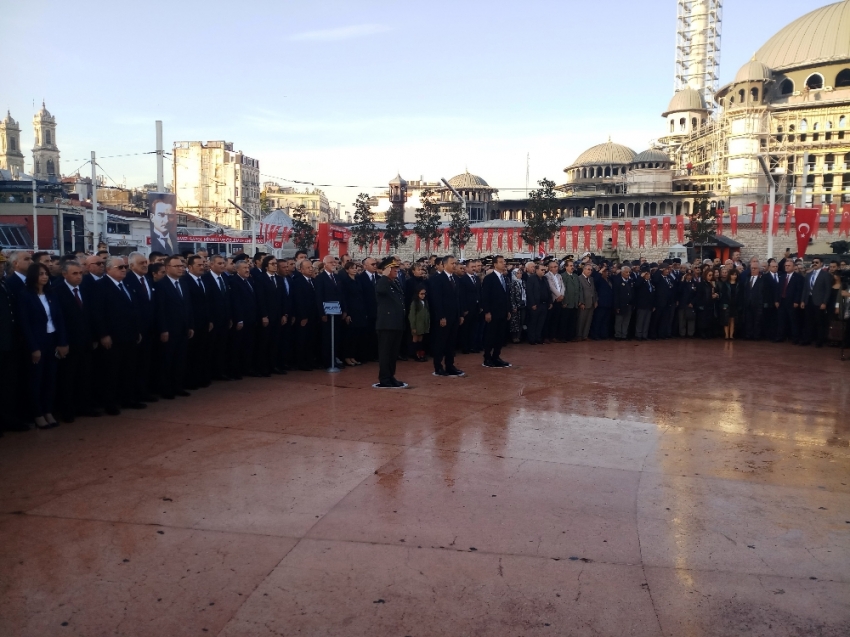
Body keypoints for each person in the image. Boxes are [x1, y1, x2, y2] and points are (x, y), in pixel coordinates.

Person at [18, 262, 68, 429]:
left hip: (52, 341)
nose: (45, 276)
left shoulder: (51, 294)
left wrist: (62, 342)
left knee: (50, 379)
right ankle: (37, 414)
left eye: (46, 273)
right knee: (36, 380)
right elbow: (24, 324)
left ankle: (48, 411)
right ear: (33, 276)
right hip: (37, 343)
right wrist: (34, 348)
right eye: (41, 274)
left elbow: (59, 319)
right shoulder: (25, 295)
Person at [93, 256, 144, 414]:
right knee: (111, 372)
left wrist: (137, 331)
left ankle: (127, 399)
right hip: (113, 336)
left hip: (129, 335)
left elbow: (133, 309)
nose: (124, 270)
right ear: (108, 269)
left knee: (128, 369)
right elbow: (98, 313)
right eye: (120, 267)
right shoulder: (100, 286)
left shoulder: (126, 284)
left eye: (125, 267)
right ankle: (110, 402)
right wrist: (103, 334)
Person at [54, 260, 99, 422]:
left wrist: (94, 337)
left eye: (80, 273)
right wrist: (62, 342)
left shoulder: (86, 290)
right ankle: (67, 410)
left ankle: (84, 406)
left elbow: (91, 316)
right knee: (68, 377)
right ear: (64, 274)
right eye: (74, 273)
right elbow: (59, 320)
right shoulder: (57, 291)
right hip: (69, 342)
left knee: (85, 375)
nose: (78, 277)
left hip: (86, 341)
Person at [155, 255, 194, 398]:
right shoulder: (161, 285)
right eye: (177, 266)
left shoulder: (183, 283)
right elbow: (160, 310)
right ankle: (165, 388)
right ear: (167, 268)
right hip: (169, 330)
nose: (181, 268)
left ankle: (178, 386)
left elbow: (188, 306)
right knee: (167, 360)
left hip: (183, 329)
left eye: (182, 266)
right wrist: (163, 329)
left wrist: (190, 325)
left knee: (180, 360)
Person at [125, 252, 157, 402]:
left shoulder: (148, 279)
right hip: (136, 331)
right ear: (131, 266)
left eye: (145, 262)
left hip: (150, 330)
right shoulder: (127, 281)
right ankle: (132, 395)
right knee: (133, 366)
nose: (145, 265)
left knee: (146, 363)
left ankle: (144, 391)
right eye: (141, 263)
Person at [429, 255, 464, 376]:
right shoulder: (437, 279)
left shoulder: (456, 278)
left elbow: (457, 298)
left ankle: (450, 365)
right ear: (444, 265)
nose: (455, 265)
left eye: (455, 263)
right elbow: (436, 300)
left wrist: (460, 315)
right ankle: (438, 366)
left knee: (451, 343)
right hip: (443, 316)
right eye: (452, 263)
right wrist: (441, 316)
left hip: (454, 316)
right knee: (440, 342)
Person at [375, 257, 407, 387]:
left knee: (393, 353)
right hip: (386, 324)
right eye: (393, 268)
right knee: (385, 353)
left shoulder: (395, 282)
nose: (396, 270)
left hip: (396, 323)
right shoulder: (382, 282)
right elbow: (380, 290)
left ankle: (391, 375)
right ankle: (384, 378)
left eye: (397, 268)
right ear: (387, 269)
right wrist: (384, 276)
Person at [182, 255, 213, 387]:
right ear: (190, 267)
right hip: (193, 323)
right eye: (198, 265)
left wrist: (209, 319)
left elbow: (207, 303)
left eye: (203, 264)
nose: (202, 267)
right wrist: (191, 324)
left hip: (204, 323)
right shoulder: (185, 281)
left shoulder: (204, 280)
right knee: (192, 353)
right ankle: (191, 380)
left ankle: (201, 377)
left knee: (202, 351)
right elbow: (188, 305)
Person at [229, 258, 263, 378]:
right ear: (237, 269)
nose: (247, 270)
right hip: (242, 320)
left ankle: (246, 368)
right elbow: (236, 302)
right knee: (238, 346)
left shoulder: (250, 281)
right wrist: (239, 319)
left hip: (252, 319)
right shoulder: (234, 282)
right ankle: (235, 370)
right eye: (244, 268)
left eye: (248, 267)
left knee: (249, 345)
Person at [202, 255, 232, 380]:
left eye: (223, 263)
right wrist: (209, 319)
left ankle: (219, 372)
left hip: (224, 319)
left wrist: (229, 317)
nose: (222, 266)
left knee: (222, 347)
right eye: (219, 263)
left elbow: (228, 299)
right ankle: (209, 373)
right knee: (210, 348)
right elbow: (206, 302)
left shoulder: (225, 278)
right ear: (211, 264)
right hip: (212, 320)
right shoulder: (205, 279)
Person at [314, 255, 346, 369]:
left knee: (336, 336)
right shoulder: (320, 278)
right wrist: (322, 313)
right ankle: (327, 361)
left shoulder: (337, 278)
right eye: (331, 262)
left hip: (337, 312)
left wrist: (344, 310)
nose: (334, 264)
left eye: (335, 262)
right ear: (325, 264)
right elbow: (319, 297)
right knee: (327, 337)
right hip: (327, 313)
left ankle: (334, 359)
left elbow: (342, 295)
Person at [481, 255, 511, 367]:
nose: (504, 263)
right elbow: (485, 296)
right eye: (501, 262)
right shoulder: (489, 278)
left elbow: (506, 296)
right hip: (493, 312)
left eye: (504, 261)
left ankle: (496, 356)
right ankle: (487, 357)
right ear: (495, 264)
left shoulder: (505, 278)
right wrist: (487, 312)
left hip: (503, 312)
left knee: (500, 336)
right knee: (490, 336)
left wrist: (508, 310)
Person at [290, 258, 319, 370]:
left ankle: (310, 360)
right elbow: (299, 301)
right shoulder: (298, 282)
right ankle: (302, 362)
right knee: (303, 340)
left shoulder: (313, 281)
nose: (310, 269)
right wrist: (303, 316)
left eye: (311, 267)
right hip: (303, 316)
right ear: (301, 270)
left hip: (314, 315)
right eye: (308, 267)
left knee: (312, 339)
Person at [340, 260, 367, 366]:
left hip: (359, 310)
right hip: (351, 310)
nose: (354, 269)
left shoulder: (358, 280)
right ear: (347, 270)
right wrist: (347, 313)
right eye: (352, 268)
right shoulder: (345, 282)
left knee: (357, 335)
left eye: (355, 267)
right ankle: (346, 357)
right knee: (349, 336)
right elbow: (344, 298)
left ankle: (353, 356)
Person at [800, 257, 831, 347]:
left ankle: (819, 340)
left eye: (816, 262)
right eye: (813, 262)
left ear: (821, 263)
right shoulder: (809, 275)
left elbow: (827, 290)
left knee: (819, 322)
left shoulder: (825, 275)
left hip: (819, 301)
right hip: (808, 300)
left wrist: (824, 302)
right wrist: (802, 300)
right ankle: (807, 339)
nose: (814, 264)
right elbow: (805, 289)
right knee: (808, 321)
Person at [775, 259, 804, 343]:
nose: (786, 267)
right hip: (782, 301)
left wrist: (796, 301)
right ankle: (780, 336)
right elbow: (778, 289)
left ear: (794, 267)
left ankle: (795, 338)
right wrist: (776, 300)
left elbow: (799, 290)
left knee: (793, 321)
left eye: (788, 266)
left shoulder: (799, 277)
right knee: (781, 320)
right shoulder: (782, 276)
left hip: (792, 302)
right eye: (785, 266)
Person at [356, 257, 379, 362]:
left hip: (379, 312)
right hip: (366, 311)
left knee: (377, 334)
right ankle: (366, 355)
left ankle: (376, 354)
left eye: (375, 264)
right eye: (372, 264)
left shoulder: (380, 278)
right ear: (365, 266)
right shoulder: (360, 278)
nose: (375, 266)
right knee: (366, 335)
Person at [524, 262, 546, 345]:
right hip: (535, 305)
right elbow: (529, 292)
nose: (543, 271)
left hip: (543, 304)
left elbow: (548, 291)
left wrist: (549, 302)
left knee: (540, 323)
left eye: (544, 270)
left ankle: (538, 338)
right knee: (533, 322)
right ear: (537, 270)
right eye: (542, 270)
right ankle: (532, 339)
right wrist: (532, 304)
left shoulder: (544, 279)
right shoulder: (532, 279)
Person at [408, 285, 430, 363]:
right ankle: (415, 354)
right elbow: (412, 315)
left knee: (421, 339)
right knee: (415, 339)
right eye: (421, 294)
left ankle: (421, 354)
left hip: (423, 324)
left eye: (424, 294)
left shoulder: (425, 302)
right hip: (417, 324)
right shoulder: (415, 303)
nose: (423, 295)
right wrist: (413, 326)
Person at [544, 260, 565, 342]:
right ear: (549, 268)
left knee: (556, 319)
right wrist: (558, 295)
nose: (555, 268)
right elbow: (551, 287)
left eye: (556, 267)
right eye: (552, 267)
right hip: (553, 299)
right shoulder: (547, 276)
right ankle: (547, 336)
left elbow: (562, 286)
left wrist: (562, 295)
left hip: (560, 299)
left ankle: (553, 336)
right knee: (549, 319)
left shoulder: (559, 276)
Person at [696, 269, 719, 339]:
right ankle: (702, 333)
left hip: (711, 304)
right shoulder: (701, 284)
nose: (710, 277)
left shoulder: (712, 284)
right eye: (709, 275)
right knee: (703, 320)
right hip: (703, 304)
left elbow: (717, 292)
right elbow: (699, 295)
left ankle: (709, 333)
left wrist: (716, 295)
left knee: (710, 319)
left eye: (712, 275)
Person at [576, 263, 597, 341]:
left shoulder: (591, 279)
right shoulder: (579, 278)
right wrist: (581, 302)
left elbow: (594, 290)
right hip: (584, 302)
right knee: (581, 320)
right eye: (588, 269)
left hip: (591, 302)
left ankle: (585, 335)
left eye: (591, 270)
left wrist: (595, 300)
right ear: (583, 269)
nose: (590, 271)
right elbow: (579, 291)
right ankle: (579, 335)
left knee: (588, 320)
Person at [560, 260, 580, 342]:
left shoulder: (575, 276)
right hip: (567, 302)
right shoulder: (563, 276)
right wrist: (564, 301)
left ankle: (571, 336)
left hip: (575, 302)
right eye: (570, 265)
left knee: (573, 320)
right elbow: (563, 289)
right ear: (566, 267)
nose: (572, 267)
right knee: (564, 321)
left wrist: (579, 300)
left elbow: (579, 289)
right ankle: (563, 337)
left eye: (573, 265)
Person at [612, 265, 633, 341]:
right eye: (626, 272)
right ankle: (618, 335)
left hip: (629, 304)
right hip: (620, 304)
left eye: (629, 272)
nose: (628, 274)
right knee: (619, 321)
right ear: (622, 272)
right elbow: (616, 294)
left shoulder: (630, 281)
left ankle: (624, 335)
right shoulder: (617, 281)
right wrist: (616, 306)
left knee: (626, 321)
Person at [720, 268, 741, 340]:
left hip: (735, 304)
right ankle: (726, 335)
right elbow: (723, 295)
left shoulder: (738, 284)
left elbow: (740, 295)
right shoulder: (725, 284)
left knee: (732, 320)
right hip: (727, 304)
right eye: (733, 275)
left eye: (735, 275)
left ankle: (731, 335)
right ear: (730, 275)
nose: (734, 276)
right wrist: (724, 304)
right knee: (726, 320)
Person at [676, 270, 697, 337]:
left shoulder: (694, 283)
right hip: (682, 303)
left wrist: (692, 302)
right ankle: (682, 333)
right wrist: (682, 281)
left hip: (690, 304)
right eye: (687, 275)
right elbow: (679, 291)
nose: (689, 277)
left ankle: (690, 333)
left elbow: (696, 294)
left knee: (691, 319)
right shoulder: (682, 283)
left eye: (690, 275)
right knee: (682, 319)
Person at [509, 266, 526, 343]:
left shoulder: (523, 282)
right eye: (517, 273)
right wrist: (514, 305)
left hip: (523, 304)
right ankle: (514, 337)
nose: (519, 275)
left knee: (521, 321)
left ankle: (519, 336)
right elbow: (512, 296)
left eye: (520, 273)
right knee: (515, 322)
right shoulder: (512, 283)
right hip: (516, 305)